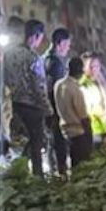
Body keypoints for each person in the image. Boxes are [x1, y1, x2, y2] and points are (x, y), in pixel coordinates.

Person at [4, 19, 51, 177]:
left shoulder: (9, 54)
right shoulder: (33, 57)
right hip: (32, 107)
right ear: (36, 36)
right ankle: (38, 177)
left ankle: (18, 172)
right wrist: (48, 110)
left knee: (19, 142)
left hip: (14, 105)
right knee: (37, 144)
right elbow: (39, 87)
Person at [55, 56, 93, 169]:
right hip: (78, 131)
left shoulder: (58, 85)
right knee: (82, 165)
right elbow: (82, 114)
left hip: (64, 130)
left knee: (72, 161)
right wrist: (89, 132)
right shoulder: (75, 88)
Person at [45, 28, 72, 174]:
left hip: (49, 108)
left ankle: (55, 169)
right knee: (58, 141)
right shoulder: (55, 64)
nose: (68, 48)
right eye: (67, 44)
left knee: (53, 141)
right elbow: (56, 89)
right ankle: (60, 171)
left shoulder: (46, 59)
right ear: (59, 43)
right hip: (55, 108)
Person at [79, 52, 106, 147]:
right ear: (85, 67)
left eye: (97, 66)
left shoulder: (103, 81)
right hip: (94, 130)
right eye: (91, 66)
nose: (95, 69)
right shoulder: (83, 85)